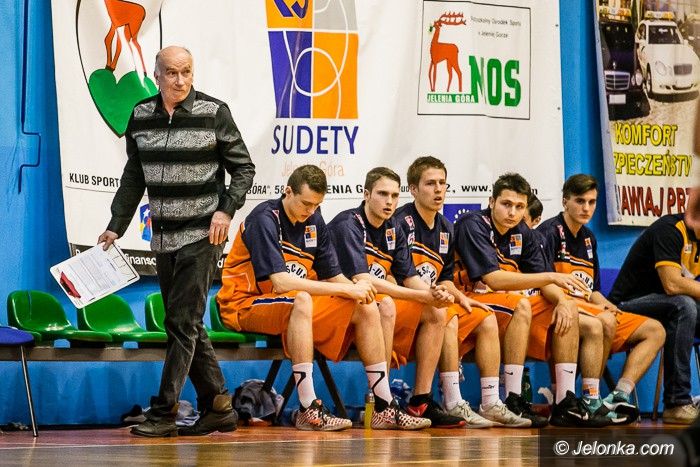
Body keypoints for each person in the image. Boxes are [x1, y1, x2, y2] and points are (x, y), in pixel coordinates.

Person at [98, 46, 256, 437]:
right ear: (156, 76)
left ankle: (164, 413)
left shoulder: (214, 113)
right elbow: (135, 174)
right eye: (171, 73)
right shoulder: (140, 116)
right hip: (163, 237)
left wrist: (225, 211)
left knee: (181, 323)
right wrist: (117, 224)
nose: (180, 80)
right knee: (185, 324)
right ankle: (219, 405)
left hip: (203, 233)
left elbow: (243, 168)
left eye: (186, 72)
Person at [216, 165, 430, 431]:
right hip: (244, 304)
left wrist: (358, 291)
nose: (311, 211)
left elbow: (334, 276)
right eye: (306, 203)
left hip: (290, 306)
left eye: (317, 205)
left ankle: (383, 406)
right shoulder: (265, 218)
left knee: (367, 307)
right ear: (288, 192)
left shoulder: (314, 221)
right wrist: (345, 290)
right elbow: (280, 283)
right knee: (303, 299)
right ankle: (307, 408)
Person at [453, 172, 613, 427]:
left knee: (568, 308)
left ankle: (564, 402)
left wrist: (562, 301)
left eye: (519, 207)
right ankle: (513, 398)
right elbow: (494, 279)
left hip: (507, 304)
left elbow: (544, 281)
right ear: (491, 201)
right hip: (472, 298)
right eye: (506, 204)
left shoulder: (522, 232)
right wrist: (551, 277)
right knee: (522, 304)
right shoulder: (473, 224)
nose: (512, 212)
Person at [395, 157, 531, 428]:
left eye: (442, 183)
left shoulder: (446, 227)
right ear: (413, 189)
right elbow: (400, 274)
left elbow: (445, 279)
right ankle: (450, 400)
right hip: (406, 300)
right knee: (446, 314)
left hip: (433, 298)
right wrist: (437, 295)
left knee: (485, 316)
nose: (438, 189)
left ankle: (491, 402)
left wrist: (460, 296)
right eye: (430, 183)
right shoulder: (401, 221)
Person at [327, 167, 466, 428]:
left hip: (375, 304)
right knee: (387, 305)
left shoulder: (394, 227)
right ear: (366, 194)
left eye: (393, 195)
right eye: (382, 194)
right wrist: (420, 295)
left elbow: (409, 276)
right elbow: (363, 279)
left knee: (437, 312)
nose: (389, 202)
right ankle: (382, 404)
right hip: (342, 305)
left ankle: (420, 401)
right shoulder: (348, 224)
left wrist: (432, 294)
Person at [537, 174, 665, 422]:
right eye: (580, 201)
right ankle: (590, 398)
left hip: (589, 308)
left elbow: (592, 290)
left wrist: (608, 304)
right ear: (565, 201)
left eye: (592, 202)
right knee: (604, 321)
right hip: (558, 309)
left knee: (655, 330)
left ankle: (618, 396)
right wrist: (572, 304)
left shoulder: (589, 238)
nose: (586, 208)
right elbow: (541, 281)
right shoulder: (549, 232)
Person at [608, 211, 700, 424]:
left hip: (669, 308)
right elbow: (672, 284)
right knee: (684, 305)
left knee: (685, 306)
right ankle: (677, 403)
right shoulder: (670, 229)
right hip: (628, 304)